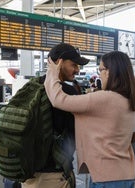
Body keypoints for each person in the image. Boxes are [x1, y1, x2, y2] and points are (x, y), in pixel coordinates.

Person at [44, 51, 135, 188]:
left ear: (109, 72)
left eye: (100, 69)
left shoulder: (105, 98)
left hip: (106, 177)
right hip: (125, 173)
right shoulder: (129, 100)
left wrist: (52, 73)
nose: (100, 74)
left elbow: (58, 100)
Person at [22, 43, 89, 188]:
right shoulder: (67, 92)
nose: (77, 70)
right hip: (55, 176)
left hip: (28, 174)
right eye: (74, 65)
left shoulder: (30, 87)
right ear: (59, 62)